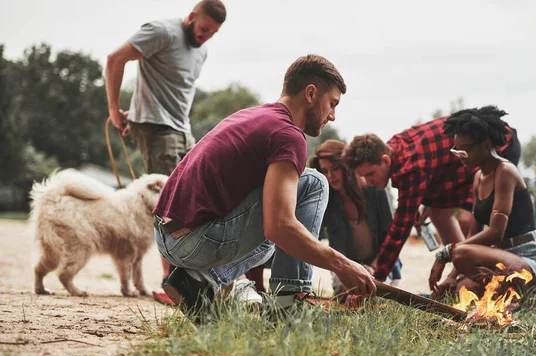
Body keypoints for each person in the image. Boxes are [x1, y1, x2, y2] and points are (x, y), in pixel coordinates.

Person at [153, 54, 376, 315]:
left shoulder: (257, 116)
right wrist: (343, 264)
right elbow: (279, 227)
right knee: (311, 185)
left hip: (169, 234)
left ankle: (195, 281)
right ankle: (289, 303)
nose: (333, 116)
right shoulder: (287, 135)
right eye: (332, 104)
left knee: (278, 229)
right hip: (194, 240)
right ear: (311, 93)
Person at [104, 0, 226, 302]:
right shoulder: (162, 31)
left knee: (198, 197)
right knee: (171, 205)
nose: (204, 37)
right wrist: (117, 111)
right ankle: (172, 283)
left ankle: (190, 276)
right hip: (157, 129)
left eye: (211, 33)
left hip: (182, 129)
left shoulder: (202, 50)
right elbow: (115, 58)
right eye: (202, 30)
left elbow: (174, 89)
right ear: (191, 16)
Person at [342, 106, 520, 284]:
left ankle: (496, 276)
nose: (368, 182)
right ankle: (466, 274)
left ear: (385, 161)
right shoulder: (391, 147)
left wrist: (376, 279)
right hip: (457, 167)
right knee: (439, 215)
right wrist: (427, 202)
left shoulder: (410, 168)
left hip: (499, 144)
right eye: (363, 176)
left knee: (468, 220)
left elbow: (400, 230)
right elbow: (435, 170)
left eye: (370, 174)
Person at [428, 106, 536, 298]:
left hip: (531, 261)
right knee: (453, 291)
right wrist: (453, 276)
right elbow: (473, 235)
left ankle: (513, 297)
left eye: (465, 150)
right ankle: (503, 295)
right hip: (502, 257)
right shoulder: (478, 177)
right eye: (456, 151)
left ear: (486, 145)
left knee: (461, 254)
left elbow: (495, 232)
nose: (460, 157)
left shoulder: (505, 171)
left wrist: (445, 254)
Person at [308, 140, 402, 296]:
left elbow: (391, 238)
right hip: (346, 265)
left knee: (377, 296)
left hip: (381, 263)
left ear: (347, 167)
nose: (330, 176)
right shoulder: (327, 199)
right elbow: (312, 235)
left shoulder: (375, 189)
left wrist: (372, 268)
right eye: (325, 171)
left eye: (335, 169)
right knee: (345, 296)